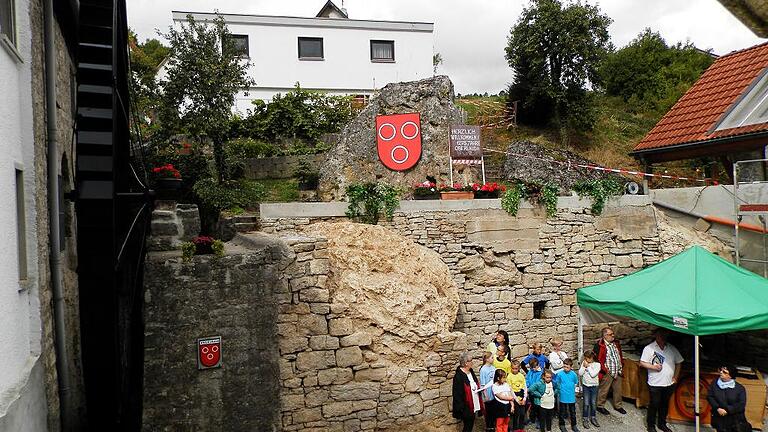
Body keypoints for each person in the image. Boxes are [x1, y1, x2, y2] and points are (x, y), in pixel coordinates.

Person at [639, 328, 683, 432]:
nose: (664, 336)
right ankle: (651, 425)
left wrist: (675, 377)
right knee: (654, 404)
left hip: (669, 383)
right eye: (661, 334)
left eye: (665, 334)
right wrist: (653, 367)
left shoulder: (671, 348)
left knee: (664, 404)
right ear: (656, 335)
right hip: (655, 383)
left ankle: (662, 424)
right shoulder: (649, 348)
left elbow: (679, 362)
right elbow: (642, 363)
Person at [593, 327, 626, 415]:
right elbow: (596, 359)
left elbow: (619, 354)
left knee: (618, 390)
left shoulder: (616, 343)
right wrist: (604, 369)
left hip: (618, 370)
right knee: (604, 390)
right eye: (611, 334)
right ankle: (600, 406)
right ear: (605, 335)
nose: (613, 336)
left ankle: (618, 406)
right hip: (607, 371)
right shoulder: (599, 345)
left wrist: (621, 365)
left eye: (613, 334)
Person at [706, 364, 748, 432]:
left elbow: (741, 404)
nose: (721, 373)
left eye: (725, 372)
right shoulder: (714, 384)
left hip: (734, 418)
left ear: (730, 376)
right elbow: (710, 396)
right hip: (719, 416)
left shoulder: (739, 388)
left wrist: (728, 410)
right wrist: (717, 408)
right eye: (721, 370)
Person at [453, 351, 485, 432]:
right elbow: (457, 394)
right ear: (466, 363)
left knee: (470, 424)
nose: (472, 362)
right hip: (466, 406)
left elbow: (474, 384)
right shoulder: (458, 376)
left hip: (474, 402)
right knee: (468, 425)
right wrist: (462, 408)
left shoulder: (471, 371)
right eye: (471, 360)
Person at [555, 359, 580, 432]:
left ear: (571, 367)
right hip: (563, 395)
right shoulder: (560, 374)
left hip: (571, 396)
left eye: (567, 367)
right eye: (564, 366)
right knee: (562, 411)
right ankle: (562, 424)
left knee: (572, 412)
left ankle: (574, 425)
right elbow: (557, 382)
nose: (565, 368)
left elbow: (576, 383)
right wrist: (559, 390)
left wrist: (575, 391)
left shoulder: (573, 374)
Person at [578, 350, 601, 429]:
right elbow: (580, 373)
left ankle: (593, 417)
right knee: (586, 403)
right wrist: (584, 367)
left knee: (593, 402)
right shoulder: (584, 363)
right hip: (586, 385)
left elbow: (593, 374)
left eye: (587, 358)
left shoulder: (597, 364)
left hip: (594, 386)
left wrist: (588, 367)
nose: (585, 359)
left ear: (592, 358)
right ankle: (585, 418)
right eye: (585, 357)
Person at [508, 359, 528, 432]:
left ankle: (521, 428)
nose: (514, 370)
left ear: (519, 368)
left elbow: (525, 387)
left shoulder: (521, 376)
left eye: (516, 368)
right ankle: (515, 428)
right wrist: (516, 399)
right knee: (516, 414)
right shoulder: (509, 376)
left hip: (521, 395)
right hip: (514, 396)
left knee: (522, 413)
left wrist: (524, 398)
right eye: (513, 368)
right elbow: (510, 389)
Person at [480, 352, 498, 432]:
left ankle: (494, 426)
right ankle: (489, 427)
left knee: (494, 411)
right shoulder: (483, 370)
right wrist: (485, 395)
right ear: (487, 359)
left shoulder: (493, 368)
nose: (493, 359)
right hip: (488, 394)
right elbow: (483, 384)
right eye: (491, 358)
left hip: (494, 393)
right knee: (489, 413)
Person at [525, 357, 544, 427]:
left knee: (538, 407)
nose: (533, 369)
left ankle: (539, 420)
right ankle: (532, 418)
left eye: (534, 367)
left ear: (538, 365)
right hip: (531, 392)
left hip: (537, 392)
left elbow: (538, 383)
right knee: (532, 406)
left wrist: (532, 388)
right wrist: (527, 386)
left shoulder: (540, 373)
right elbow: (527, 379)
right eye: (532, 367)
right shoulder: (530, 371)